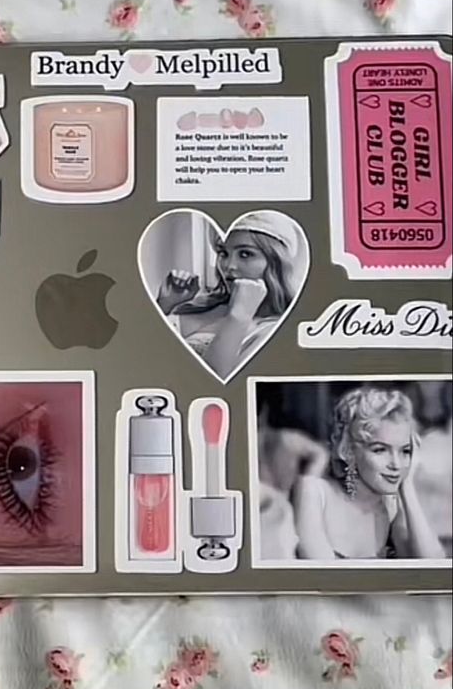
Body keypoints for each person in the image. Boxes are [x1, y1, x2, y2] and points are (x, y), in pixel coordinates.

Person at [293, 386, 446, 560]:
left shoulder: (392, 508)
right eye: (380, 450)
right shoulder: (313, 492)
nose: (396, 464)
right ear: (348, 450)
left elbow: (435, 568)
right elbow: (323, 579)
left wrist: (407, 487)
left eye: (404, 451)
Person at [156, 211, 303, 379]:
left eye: (245, 254)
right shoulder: (200, 303)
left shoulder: (281, 328)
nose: (229, 266)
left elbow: (211, 382)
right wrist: (165, 305)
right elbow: (137, 350)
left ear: (275, 262)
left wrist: (239, 317)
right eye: (223, 253)